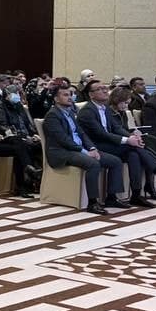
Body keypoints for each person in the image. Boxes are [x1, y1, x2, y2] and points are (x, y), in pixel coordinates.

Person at [40, 84, 126, 215]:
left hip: (79, 149)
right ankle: (93, 203)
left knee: (115, 161)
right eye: (65, 95)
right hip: (62, 152)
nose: (70, 97)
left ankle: (111, 198)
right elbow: (63, 140)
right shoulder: (52, 115)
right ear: (56, 99)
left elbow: (82, 133)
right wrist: (85, 152)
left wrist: (92, 147)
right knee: (93, 163)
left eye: (70, 94)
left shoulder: (70, 113)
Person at [78, 81, 156, 207]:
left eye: (105, 88)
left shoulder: (105, 108)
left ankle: (133, 195)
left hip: (108, 143)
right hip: (95, 145)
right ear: (91, 94)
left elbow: (117, 128)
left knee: (134, 155)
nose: (105, 90)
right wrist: (128, 140)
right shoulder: (87, 111)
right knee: (131, 147)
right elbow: (101, 134)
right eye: (100, 89)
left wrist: (131, 137)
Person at [105, 86, 156, 198]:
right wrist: (131, 136)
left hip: (125, 139)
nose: (126, 106)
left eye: (128, 103)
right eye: (124, 103)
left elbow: (123, 129)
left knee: (150, 142)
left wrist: (134, 132)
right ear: (116, 100)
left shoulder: (122, 112)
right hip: (114, 142)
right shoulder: (108, 112)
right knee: (144, 146)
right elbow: (113, 130)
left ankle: (147, 186)